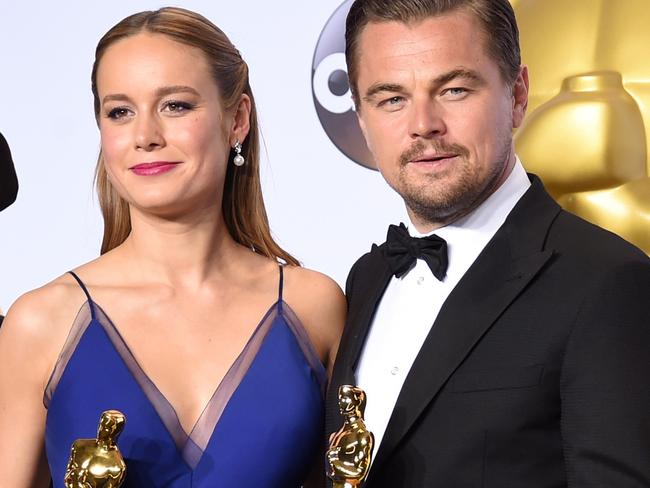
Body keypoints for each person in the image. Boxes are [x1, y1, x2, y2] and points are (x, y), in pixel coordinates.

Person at [0, 7, 344, 487]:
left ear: (237, 119)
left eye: (176, 106)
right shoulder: (40, 323)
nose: (145, 136)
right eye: (120, 112)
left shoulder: (315, 307)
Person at [326, 0, 650, 486]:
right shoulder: (366, 277)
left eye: (454, 90)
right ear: (362, 118)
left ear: (518, 95)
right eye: (391, 99)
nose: (423, 125)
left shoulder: (607, 282)